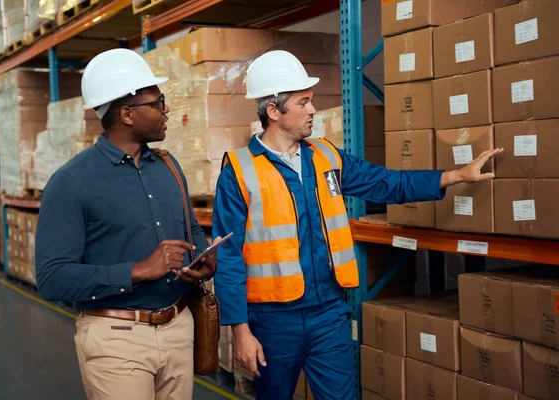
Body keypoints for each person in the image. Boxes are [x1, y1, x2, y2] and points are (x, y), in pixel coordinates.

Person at [211, 50, 503, 400]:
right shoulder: (239, 171)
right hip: (273, 321)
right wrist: (240, 331)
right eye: (303, 102)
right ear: (274, 111)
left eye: (312, 101)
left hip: (329, 313)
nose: (313, 110)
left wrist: (454, 176)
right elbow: (226, 257)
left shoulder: (326, 156)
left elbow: (387, 183)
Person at [35, 48, 217, 400]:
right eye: (158, 102)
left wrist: (204, 257)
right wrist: (137, 270)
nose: (166, 110)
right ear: (126, 114)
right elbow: (52, 278)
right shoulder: (71, 182)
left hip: (179, 327)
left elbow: (190, 229)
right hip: (116, 336)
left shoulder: (167, 165)